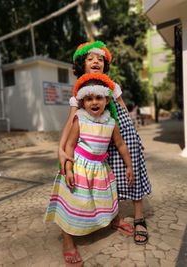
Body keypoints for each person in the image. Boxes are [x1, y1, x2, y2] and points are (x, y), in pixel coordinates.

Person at [59, 40, 151, 245]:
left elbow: (123, 109)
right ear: (81, 64)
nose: (95, 62)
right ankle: (112, 216)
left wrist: (133, 135)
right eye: (90, 58)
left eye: (100, 59)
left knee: (131, 169)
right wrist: (61, 148)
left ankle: (139, 217)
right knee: (106, 179)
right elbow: (71, 121)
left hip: (118, 129)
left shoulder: (113, 85)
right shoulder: (78, 92)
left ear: (105, 64)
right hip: (95, 136)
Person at [44, 73, 135, 266]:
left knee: (102, 200)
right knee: (74, 202)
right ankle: (68, 240)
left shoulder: (111, 122)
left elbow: (120, 145)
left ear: (107, 99)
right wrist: (68, 170)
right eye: (89, 98)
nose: (94, 102)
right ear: (83, 102)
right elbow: (69, 146)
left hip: (100, 170)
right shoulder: (80, 119)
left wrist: (129, 165)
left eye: (99, 98)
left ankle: (110, 220)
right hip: (79, 168)